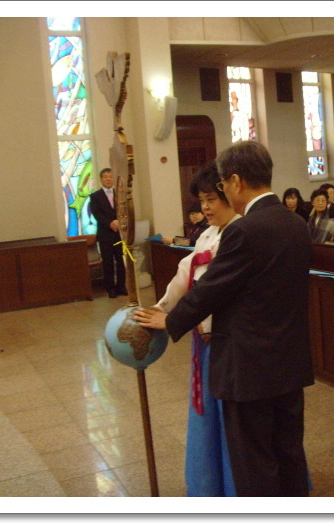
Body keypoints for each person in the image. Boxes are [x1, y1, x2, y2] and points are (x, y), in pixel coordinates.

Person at [135, 141, 314, 497]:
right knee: (288, 450)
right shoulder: (296, 223)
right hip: (289, 359)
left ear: (235, 181)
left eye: (222, 184)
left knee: (254, 460)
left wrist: (170, 320)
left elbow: (212, 288)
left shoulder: (244, 230)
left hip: (249, 366)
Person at [150, 162, 239, 496]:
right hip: (203, 340)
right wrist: (160, 308)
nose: (205, 207)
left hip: (228, 340)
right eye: (202, 201)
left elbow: (218, 290)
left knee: (232, 418)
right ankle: (210, 484)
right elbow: (184, 273)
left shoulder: (241, 233)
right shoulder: (207, 235)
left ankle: (235, 487)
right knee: (207, 412)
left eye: (211, 199)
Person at [89, 168, 127, 298]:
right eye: (105, 177)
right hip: (105, 234)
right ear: (101, 179)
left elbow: (125, 210)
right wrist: (110, 223)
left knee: (120, 261)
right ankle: (110, 288)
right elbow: (97, 214)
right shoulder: (95, 196)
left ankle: (121, 286)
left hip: (119, 233)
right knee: (108, 262)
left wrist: (119, 222)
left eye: (110, 176)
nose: (108, 179)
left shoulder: (120, 195)